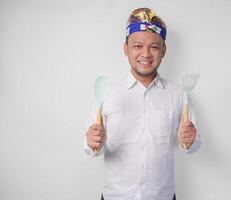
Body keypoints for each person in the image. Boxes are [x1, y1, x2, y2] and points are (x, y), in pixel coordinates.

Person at [83, 8, 201, 200]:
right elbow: (91, 147)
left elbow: (193, 145)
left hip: (161, 195)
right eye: (137, 46)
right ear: (126, 48)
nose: (145, 54)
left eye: (154, 47)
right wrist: (91, 142)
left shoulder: (178, 94)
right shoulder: (107, 93)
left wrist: (190, 141)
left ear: (164, 50)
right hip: (116, 196)